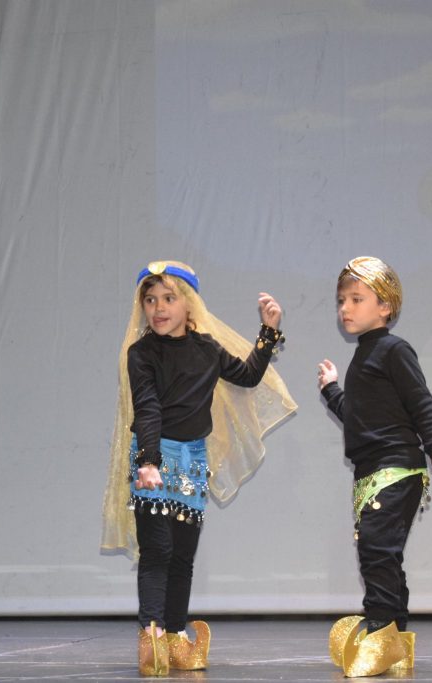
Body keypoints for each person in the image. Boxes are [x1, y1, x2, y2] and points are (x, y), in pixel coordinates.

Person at [101, 260, 296, 677]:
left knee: (183, 555)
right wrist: (148, 461)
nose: (158, 308)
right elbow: (147, 407)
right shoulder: (141, 354)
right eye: (150, 300)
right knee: (158, 550)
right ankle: (151, 635)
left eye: (168, 298)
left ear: (189, 303)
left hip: (192, 462)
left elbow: (247, 376)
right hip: (154, 459)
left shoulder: (207, 349)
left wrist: (268, 333)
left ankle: (175, 636)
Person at [317, 256, 432, 678]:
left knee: (376, 551)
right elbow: (359, 418)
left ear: (385, 306)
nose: (345, 308)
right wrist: (331, 391)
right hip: (372, 471)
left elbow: (421, 402)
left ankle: (380, 632)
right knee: (382, 553)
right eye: (341, 300)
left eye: (356, 299)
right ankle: (396, 641)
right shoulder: (364, 356)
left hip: (396, 468)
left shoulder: (394, 350)